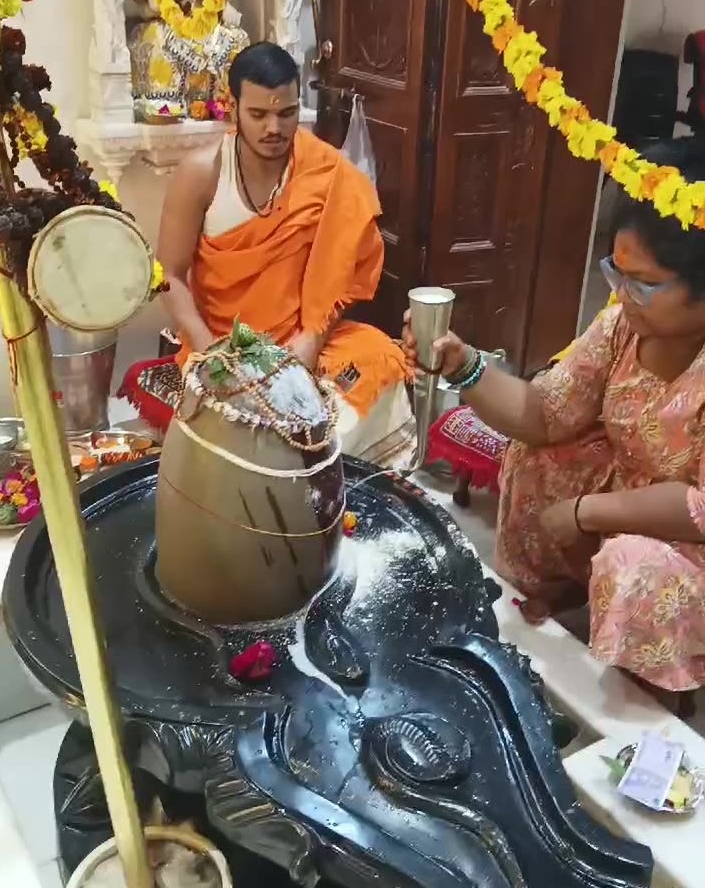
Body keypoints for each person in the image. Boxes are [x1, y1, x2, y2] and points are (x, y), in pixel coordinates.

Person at [403, 139, 705, 695]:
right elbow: (546, 411)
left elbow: (699, 506)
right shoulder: (622, 326)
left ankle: (652, 694)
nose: (622, 295)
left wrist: (587, 512)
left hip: (687, 539)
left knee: (635, 567)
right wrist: (463, 364)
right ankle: (561, 601)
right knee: (538, 453)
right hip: (633, 499)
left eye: (644, 283)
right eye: (617, 272)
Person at [125, 41, 412, 464]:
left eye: (287, 113)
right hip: (223, 343)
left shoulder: (325, 170)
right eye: (258, 114)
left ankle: (336, 488)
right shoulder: (201, 174)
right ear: (233, 106)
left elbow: (347, 272)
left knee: (379, 356)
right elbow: (169, 275)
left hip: (299, 339)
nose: (273, 127)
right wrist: (211, 354)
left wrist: (312, 339)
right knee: (252, 432)